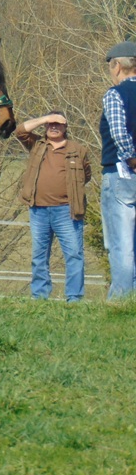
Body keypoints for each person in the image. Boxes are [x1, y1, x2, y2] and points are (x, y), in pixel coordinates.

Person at [17, 110, 91, 302]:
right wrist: (45, 118)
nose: (54, 127)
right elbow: (20, 131)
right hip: (38, 210)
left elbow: (86, 176)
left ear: (66, 127)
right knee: (39, 257)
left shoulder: (78, 150)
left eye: (58, 124)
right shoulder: (37, 145)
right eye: (51, 124)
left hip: (67, 211)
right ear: (45, 126)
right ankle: (39, 297)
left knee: (74, 255)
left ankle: (74, 299)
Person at [100, 41, 136, 299]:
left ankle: (121, 299)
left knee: (121, 243)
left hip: (121, 173)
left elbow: (119, 132)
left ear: (118, 66)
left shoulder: (115, 94)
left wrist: (132, 157)